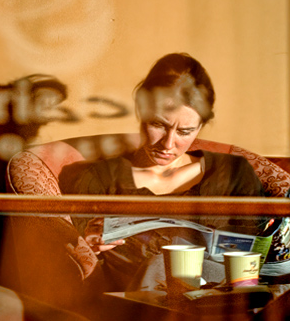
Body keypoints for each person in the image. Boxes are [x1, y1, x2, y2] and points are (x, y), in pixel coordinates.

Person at [59, 53, 268, 290]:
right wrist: (88, 246)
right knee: (161, 266)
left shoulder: (233, 173)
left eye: (185, 131)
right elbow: (70, 261)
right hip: (136, 309)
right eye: (158, 125)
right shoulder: (97, 178)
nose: (168, 145)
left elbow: (258, 260)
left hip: (221, 303)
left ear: (200, 127)